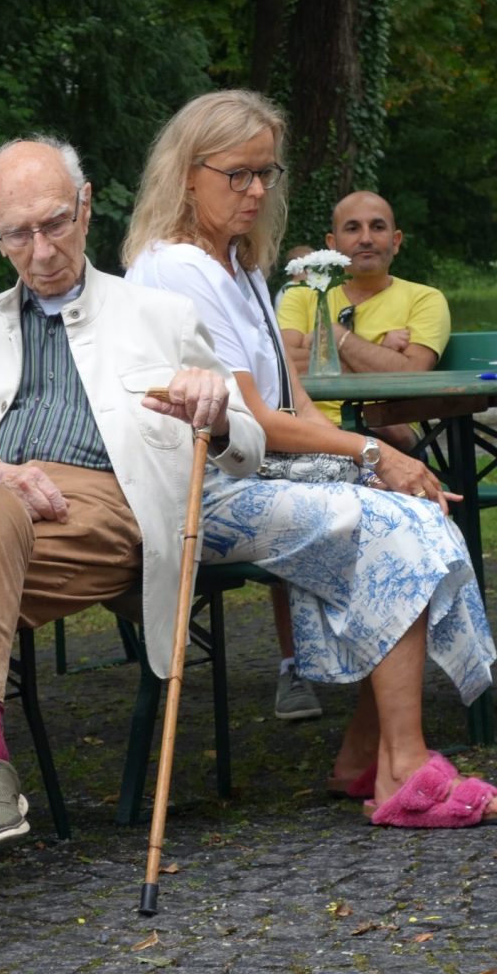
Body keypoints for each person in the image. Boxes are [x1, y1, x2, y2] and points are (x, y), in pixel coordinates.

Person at [0, 136, 265, 928]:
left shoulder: (160, 314)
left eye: (55, 223)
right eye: (17, 233)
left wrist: (215, 404)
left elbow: (250, 450)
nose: (41, 248)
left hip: (104, 509)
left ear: (87, 205)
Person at [122, 88, 497, 831]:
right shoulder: (174, 270)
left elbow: (292, 402)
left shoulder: (237, 266)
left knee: (418, 508)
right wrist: (366, 451)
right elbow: (252, 420)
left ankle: (371, 756)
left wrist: (371, 459)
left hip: (255, 472)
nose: (258, 190)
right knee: (395, 523)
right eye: (240, 174)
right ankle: (403, 766)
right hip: (201, 491)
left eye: (267, 173)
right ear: (186, 174)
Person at [277, 191, 450, 451]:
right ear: (332, 243)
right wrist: (379, 355)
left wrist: (335, 337)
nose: (366, 238)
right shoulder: (301, 295)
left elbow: (409, 375)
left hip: (387, 436)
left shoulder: (425, 299)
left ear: (396, 241)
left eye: (377, 227)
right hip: (307, 432)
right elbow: (281, 366)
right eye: (353, 228)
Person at [273, 243, 314, 311]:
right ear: (295, 270)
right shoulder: (288, 290)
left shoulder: (308, 287)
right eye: (308, 266)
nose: (313, 270)